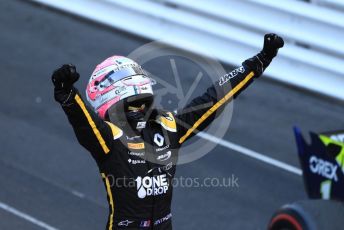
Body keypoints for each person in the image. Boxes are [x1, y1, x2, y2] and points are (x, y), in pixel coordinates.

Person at [52, 33, 284, 230]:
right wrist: (68, 96)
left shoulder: (169, 127)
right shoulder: (109, 138)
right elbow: (85, 123)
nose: (140, 107)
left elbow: (215, 99)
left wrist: (256, 64)